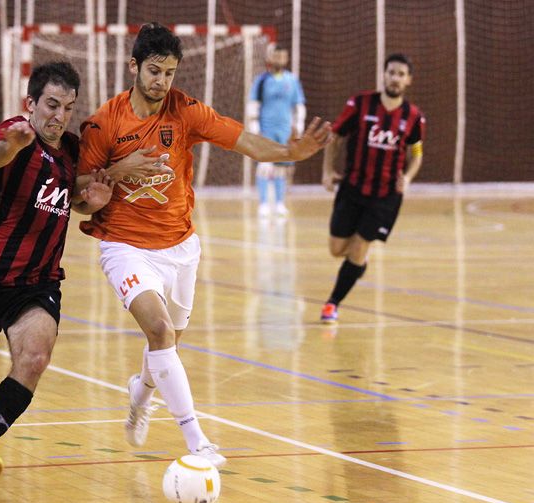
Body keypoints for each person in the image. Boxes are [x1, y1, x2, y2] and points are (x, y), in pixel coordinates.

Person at [0, 61, 167, 485]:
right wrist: (11, 142)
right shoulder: (17, 134)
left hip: (38, 282)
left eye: (68, 108)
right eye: (52, 105)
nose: (59, 116)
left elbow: (71, 199)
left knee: (35, 358)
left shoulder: (73, 150)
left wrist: (97, 196)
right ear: (32, 104)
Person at [78, 22, 331, 467]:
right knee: (158, 331)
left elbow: (241, 139)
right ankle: (198, 441)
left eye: (170, 73)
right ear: (134, 66)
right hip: (125, 245)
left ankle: (140, 393)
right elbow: (79, 192)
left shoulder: (185, 111)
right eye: (154, 71)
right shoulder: (104, 122)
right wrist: (121, 170)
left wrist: (291, 154)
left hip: (180, 246)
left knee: (169, 340)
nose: (162, 82)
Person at [319, 53, 425, 324]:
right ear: (384, 75)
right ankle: (358, 266)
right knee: (336, 249)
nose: (395, 78)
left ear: (409, 80)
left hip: (386, 196)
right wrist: (328, 171)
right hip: (353, 188)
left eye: (401, 74)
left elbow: (417, 154)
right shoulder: (361, 104)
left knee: (358, 248)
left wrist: (409, 177)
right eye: (391, 72)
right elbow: (336, 137)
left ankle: (332, 304)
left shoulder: (413, 117)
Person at [247, 43, 306, 217]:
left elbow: (299, 105)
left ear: (286, 58)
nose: (279, 59)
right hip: (266, 131)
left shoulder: (292, 80)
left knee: (283, 168)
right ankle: (264, 203)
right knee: (265, 167)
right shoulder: (262, 80)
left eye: (282, 56)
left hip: (285, 132)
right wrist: (255, 127)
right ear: (269, 58)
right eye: (276, 56)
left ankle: (280, 203)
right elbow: (253, 105)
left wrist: (299, 126)